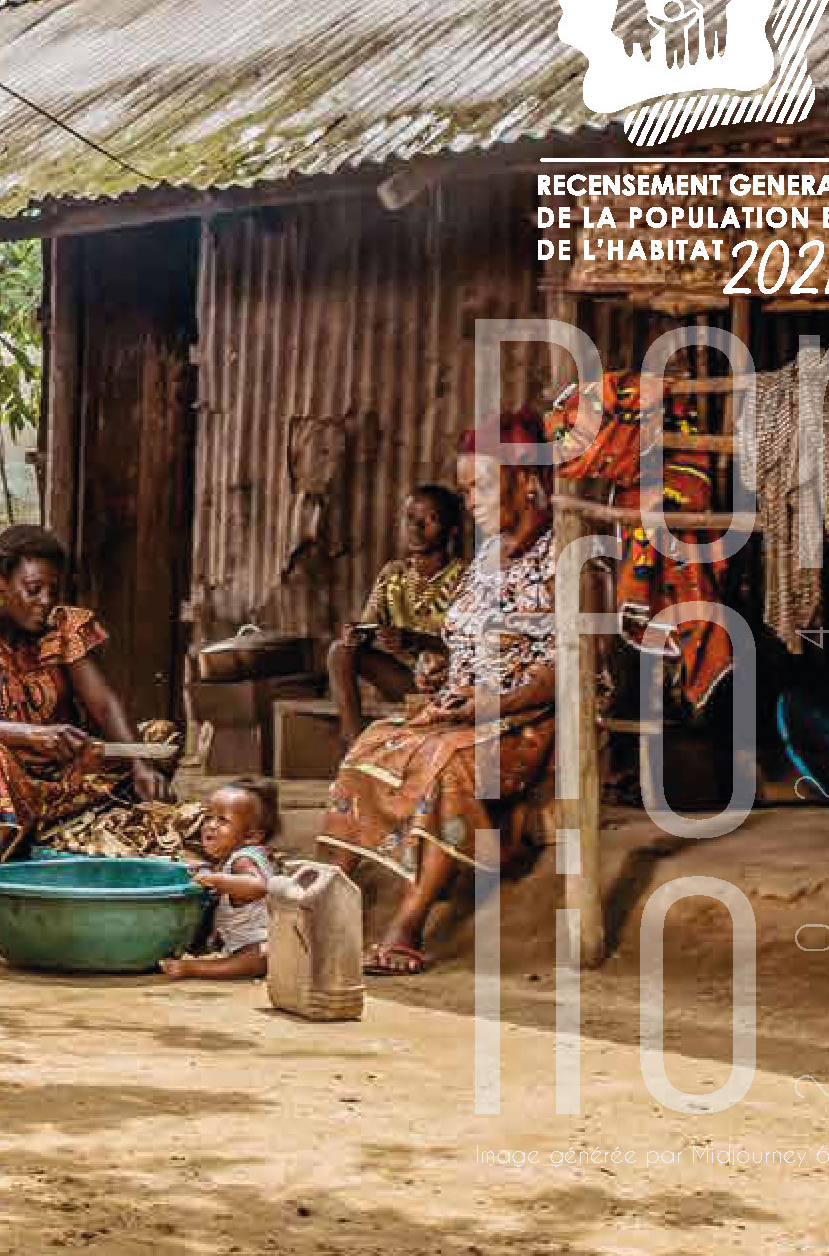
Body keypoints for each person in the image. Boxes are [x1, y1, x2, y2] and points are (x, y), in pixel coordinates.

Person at [318, 411, 559, 976]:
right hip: (464, 710)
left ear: (525, 482)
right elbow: (468, 647)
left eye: (480, 485)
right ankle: (325, 896)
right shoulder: (485, 559)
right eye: (466, 487)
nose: (469, 500)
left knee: (443, 764)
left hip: (525, 722)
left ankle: (408, 923)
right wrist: (438, 672)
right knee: (372, 746)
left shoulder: (562, 558)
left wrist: (490, 704)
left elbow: (562, 670)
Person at [0, 526, 159, 883]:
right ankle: (13, 866)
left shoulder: (63, 628)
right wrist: (31, 735)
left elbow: (104, 705)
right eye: (34, 589)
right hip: (3, 779)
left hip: (62, 780)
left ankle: (79, 845)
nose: (46, 600)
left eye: (54, 590)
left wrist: (141, 764)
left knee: (154, 740)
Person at [328, 485, 468, 748]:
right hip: (407, 682)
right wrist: (358, 633)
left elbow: (471, 649)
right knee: (340, 651)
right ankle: (354, 749)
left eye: (430, 520)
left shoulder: (465, 577)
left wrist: (415, 640)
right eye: (409, 518)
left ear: (452, 529)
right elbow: (368, 627)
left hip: (450, 686)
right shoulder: (393, 574)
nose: (416, 528)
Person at [159, 778, 281, 980]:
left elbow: (258, 886)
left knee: (258, 957)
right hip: (239, 942)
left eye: (222, 820)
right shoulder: (228, 859)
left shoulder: (244, 859)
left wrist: (216, 880)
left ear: (251, 836)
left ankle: (194, 969)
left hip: (262, 945)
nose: (211, 826)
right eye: (208, 818)